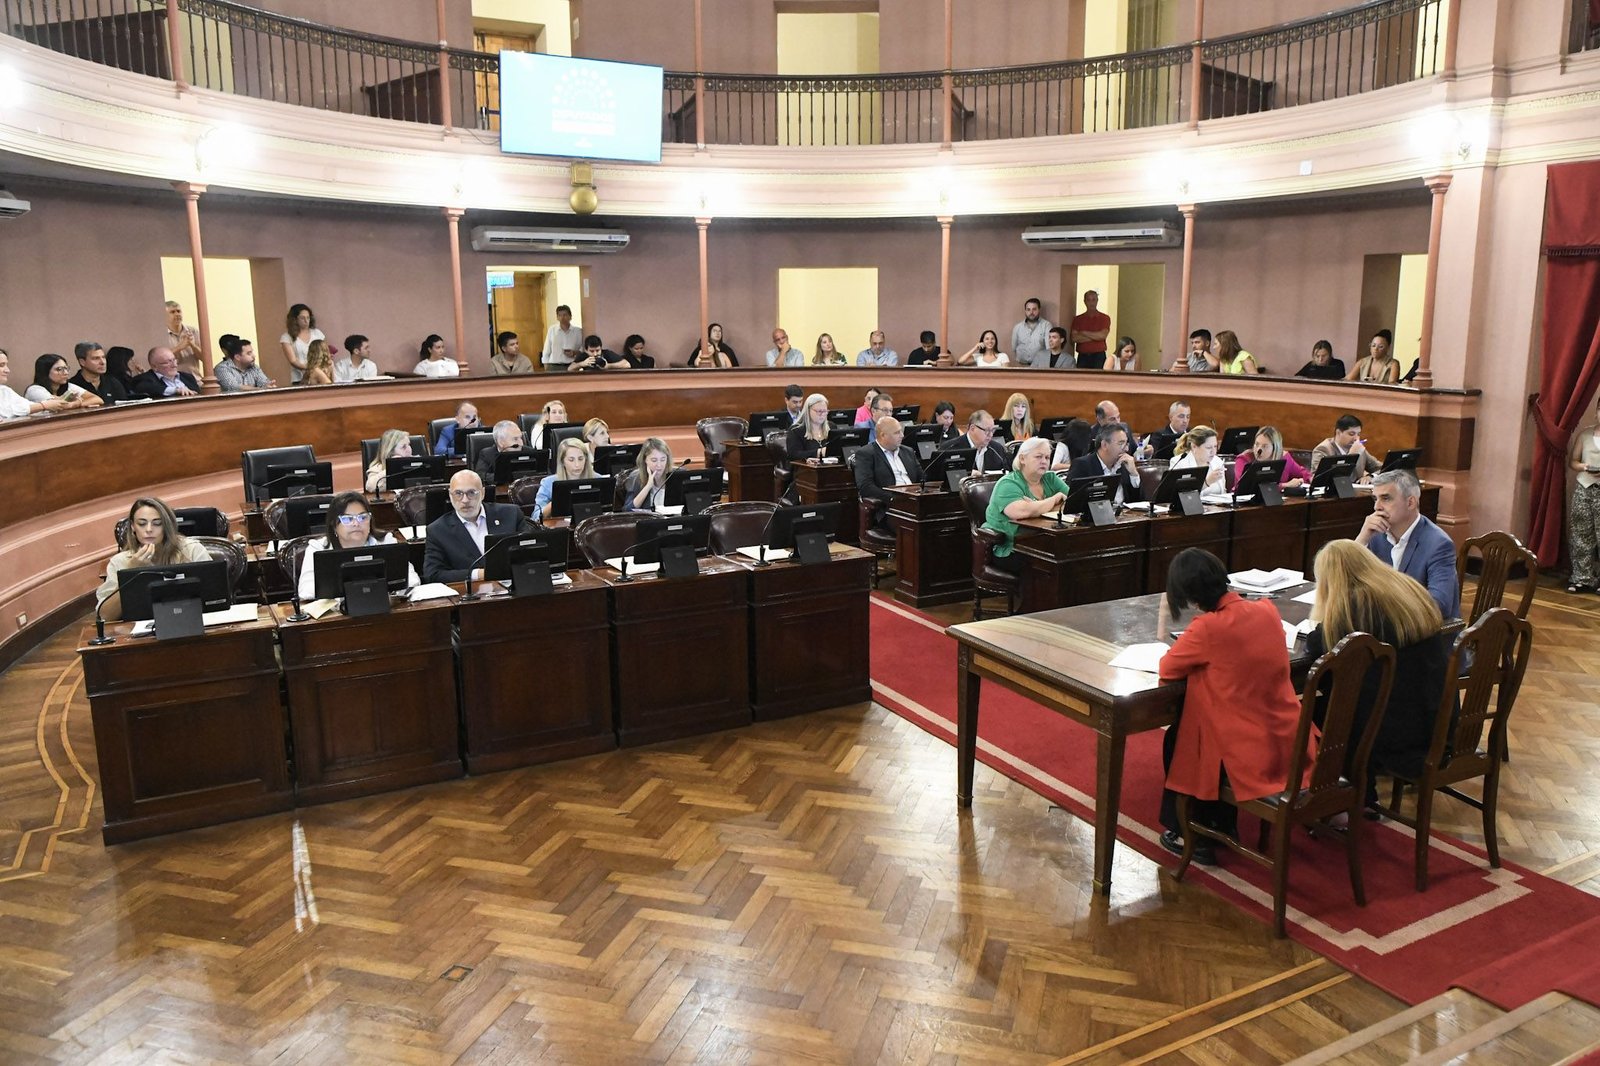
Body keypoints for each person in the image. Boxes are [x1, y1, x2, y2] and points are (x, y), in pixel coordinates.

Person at [1156, 547, 1311, 864]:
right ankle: (1220, 823)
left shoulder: (1206, 628)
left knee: (1183, 736)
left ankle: (1194, 833)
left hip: (1246, 752)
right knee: (1203, 728)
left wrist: (1164, 620)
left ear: (1191, 598)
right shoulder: (1267, 610)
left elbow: (1167, 668)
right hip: (1288, 739)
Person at [1304, 539, 1448, 809]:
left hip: (1397, 734)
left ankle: (1342, 796)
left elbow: (1321, 646)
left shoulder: (1357, 606)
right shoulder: (1404, 587)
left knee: (1319, 706)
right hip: (1437, 719)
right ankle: (1360, 793)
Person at [1356, 469, 1461, 619]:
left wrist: (1388, 609)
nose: (1377, 507)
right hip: (1382, 625)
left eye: (1386, 498)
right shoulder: (1374, 535)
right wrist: (1362, 539)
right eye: (1375, 499)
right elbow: (1345, 582)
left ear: (1410, 502)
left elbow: (1439, 605)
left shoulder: (1439, 544)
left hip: (1423, 628)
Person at [95, 496, 212, 621]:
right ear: (133, 526)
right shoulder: (119, 562)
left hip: (193, 619)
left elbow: (214, 594)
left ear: (166, 526)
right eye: (142, 524)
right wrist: (130, 574)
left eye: (157, 523)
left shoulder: (192, 550)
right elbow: (105, 616)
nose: (149, 529)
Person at [297, 491, 419, 601]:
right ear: (334, 525)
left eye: (363, 517)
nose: (356, 523)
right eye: (347, 519)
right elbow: (305, 591)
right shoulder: (318, 548)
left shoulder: (386, 541)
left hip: (380, 607)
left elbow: (413, 580)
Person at [423, 470, 530, 583]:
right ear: (450, 495)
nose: (465, 500)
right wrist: (478, 574)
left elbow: (530, 554)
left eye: (471, 492)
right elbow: (433, 574)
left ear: (482, 493)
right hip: (470, 591)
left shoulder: (511, 514)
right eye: (458, 493)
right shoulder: (438, 530)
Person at [983, 437, 1069, 573]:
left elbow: (1072, 504)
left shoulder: (1051, 478)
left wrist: (1036, 507)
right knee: (1052, 567)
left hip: (1044, 542)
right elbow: (1020, 512)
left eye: (1047, 457)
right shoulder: (1008, 483)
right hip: (1013, 547)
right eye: (1038, 457)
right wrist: (1054, 500)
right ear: (1022, 459)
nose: (1044, 461)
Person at [855, 416, 925, 530]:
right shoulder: (866, 454)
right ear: (883, 435)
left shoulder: (908, 451)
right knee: (918, 526)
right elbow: (865, 486)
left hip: (916, 502)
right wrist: (893, 499)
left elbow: (922, 478)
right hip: (890, 509)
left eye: (901, 431)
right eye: (897, 433)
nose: (902, 435)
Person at [1568, 394, 1600, 593]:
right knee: (1581, 534)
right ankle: (1582, 578)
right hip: (1584, 488)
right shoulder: (1585, 435)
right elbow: (1573, 461)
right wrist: (1584, 466)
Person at [1068, 421, 1142, 505]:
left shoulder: (1124, 464)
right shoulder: (1082, 465)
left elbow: (1138, 502)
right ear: (1104, 445)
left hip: (1124, 512)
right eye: (1121, 443)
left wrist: (1134, 474)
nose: (1126, 449)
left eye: (1126, 444)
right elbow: (1073, 502)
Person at [533, 438, 597, 518]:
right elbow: (535, 516)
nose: (577, 464)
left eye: (580, 459)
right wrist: (555, 503)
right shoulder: (548, 483)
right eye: (571, 460)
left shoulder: (598, 479)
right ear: (562, 461)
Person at [1312, 414, 1383, 482]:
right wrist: (1351, 456)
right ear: (1338, 432)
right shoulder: (1323, 449)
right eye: (1351, 434)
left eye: (1358, 434)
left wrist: (1371, 476)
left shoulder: (1359, 449)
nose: (1356, 438)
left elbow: (1382, 468)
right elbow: (1323, 478)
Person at [1233, 426, 1310, 489]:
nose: (1259, 449)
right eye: (1257, 444)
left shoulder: (1284, 458)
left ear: (1275, 448)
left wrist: (1310, 478)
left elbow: (1303, 474)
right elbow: (1249, 487)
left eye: (1265, 446)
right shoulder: (1243, 459)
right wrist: (1285, 485)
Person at [936, 410, 1009, 475]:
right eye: (987, 431)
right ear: (972, 428)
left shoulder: (997, 449)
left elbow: (1006, 472)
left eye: (992, 430)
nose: (991, 435)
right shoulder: (950, 448)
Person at [0, 348, 68, 417]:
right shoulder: (34, 389)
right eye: (1, 365)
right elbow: (9, 411)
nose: (7, 370)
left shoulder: (5, 390)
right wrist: (43, 405)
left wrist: (47, 405)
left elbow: (27, 406)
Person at [27, 353, 102, 409]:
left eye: (66, 368)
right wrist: (77, 402)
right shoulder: (34, 390)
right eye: (59, 369)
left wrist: (77, 404)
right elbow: (59, 405)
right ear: (45, 372)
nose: (66, 373)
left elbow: (98, 399)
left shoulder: (68, 386)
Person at [1169, 425, 1228, 492]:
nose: (1213, 451)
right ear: (1194, 446)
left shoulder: (1217, 461)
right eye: (1208, 447)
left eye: (1215, 446)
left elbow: (1223, 491)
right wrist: (1207, 482)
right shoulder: (1179, 463)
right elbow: (1181, 493)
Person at [622, 437, 673, 512]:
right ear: (645, 460)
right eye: (654, 460)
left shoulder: (676, 475)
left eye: (663, 460)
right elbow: (627, 510)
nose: (659, 465)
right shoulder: (636, 477)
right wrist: (648, 486)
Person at [278, 303, 324, 384]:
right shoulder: (286, 337)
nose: (306, 321)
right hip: (299, 379)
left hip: (320, 376)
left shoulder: (317, 333)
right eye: (302, 318)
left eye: (308, 317)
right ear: (294, 319)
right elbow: (293, 361)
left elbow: (325, 352)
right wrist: (311, 369)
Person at [132, 347, 200, 399]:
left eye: (174, 360)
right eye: (167, 362)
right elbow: (148, 388)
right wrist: (176, 390)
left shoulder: (188, 377)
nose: (174, 365)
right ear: (154, 366)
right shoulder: (144, 379)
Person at [474, 419, 525, 484]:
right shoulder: (486, 454)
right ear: (501, 442)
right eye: (515, 439)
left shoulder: (528, 451)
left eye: (521, 438)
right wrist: (506, 477)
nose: (521, 443)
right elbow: (480, 475)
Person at [364, 428, 414, 494]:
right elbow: (370, 486)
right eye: (403, 447)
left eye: (409, 444)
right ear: (390, 452)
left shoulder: (417, 463)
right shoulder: (377, 468)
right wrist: (391, 468)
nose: (409, 450)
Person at [787, 393, 832, 464]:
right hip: (804, 468)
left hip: (830, 467)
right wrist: (818, 452)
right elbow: (794, 455)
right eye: (819, 411)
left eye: (825, 411)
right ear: (808, 411)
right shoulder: (796, 430)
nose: (822, 414)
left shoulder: (831, 427)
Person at [1070, 291, 1111, 369]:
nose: (1091, 303)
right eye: (1089, 300)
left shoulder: (1104, 318)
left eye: (1093, 300)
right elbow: (1074, 338)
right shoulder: (1078, 319)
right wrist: (1096, 337)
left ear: (1097, 301)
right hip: (1083, 356)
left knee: (1098, 376)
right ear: (1085, 301)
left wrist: (1083, 332)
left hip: (1099, 356)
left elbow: (1102, 336)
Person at [164, 300, 204, 378]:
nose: (177, 314)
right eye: (172, 312)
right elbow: (162, 360)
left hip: (195, 379)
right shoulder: (161, 334)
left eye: (179, 311)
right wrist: (180, 347)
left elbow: (205, 359)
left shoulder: (193, 331)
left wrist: (193, 345)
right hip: (173, 381)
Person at [1011, 297, 1053, 369]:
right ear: (1025, 311)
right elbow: (1014, 348)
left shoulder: (1046, 325)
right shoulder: (1017, 327)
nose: (1031, 312)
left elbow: (1049, 348)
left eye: (1034, 309)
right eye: (1028, 309)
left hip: (1040, 367)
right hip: (1021, 366)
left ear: (1039, 310)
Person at [541, 304, 583, 370]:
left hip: (572, 365)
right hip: (554, 366)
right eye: (559, 315)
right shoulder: (552, 330)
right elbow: (547, 349)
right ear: (557, 317)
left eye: (565, 315)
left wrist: (574, 353)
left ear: (570, 317)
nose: (562, 318)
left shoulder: (578, 331)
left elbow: (583, 349)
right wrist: (546, 365)